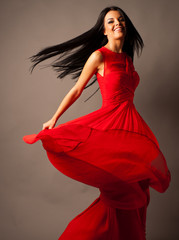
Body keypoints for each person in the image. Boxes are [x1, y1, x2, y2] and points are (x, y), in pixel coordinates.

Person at [23, 6, 171, 240]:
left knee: (138, 187)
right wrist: (54, 118)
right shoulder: (99, 56)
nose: (117, 23)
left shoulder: (128, 60)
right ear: (104, 30)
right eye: (111, 21)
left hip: (132, 129)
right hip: (111, 128)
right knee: (120, 192)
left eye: (121, 20)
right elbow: (76, 89)